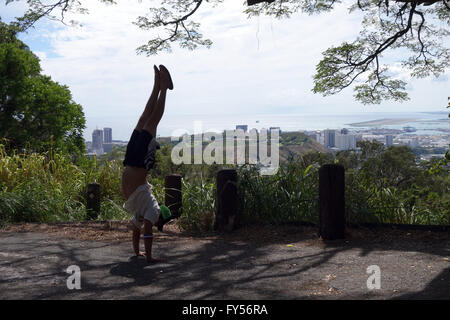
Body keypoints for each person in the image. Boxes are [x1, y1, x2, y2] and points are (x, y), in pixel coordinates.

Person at [122, 64, 173, 264]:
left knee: (144, 119)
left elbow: (136, 230)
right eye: (158, 222)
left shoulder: (141, 212)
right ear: (160, 216)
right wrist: (150, 257)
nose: (153, 223)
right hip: (139, 163)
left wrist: (137, 252)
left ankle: (157, 85)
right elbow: (147, 231)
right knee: (151, 123)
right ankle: (164, 88)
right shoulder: (152, 209)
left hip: (131, 163)